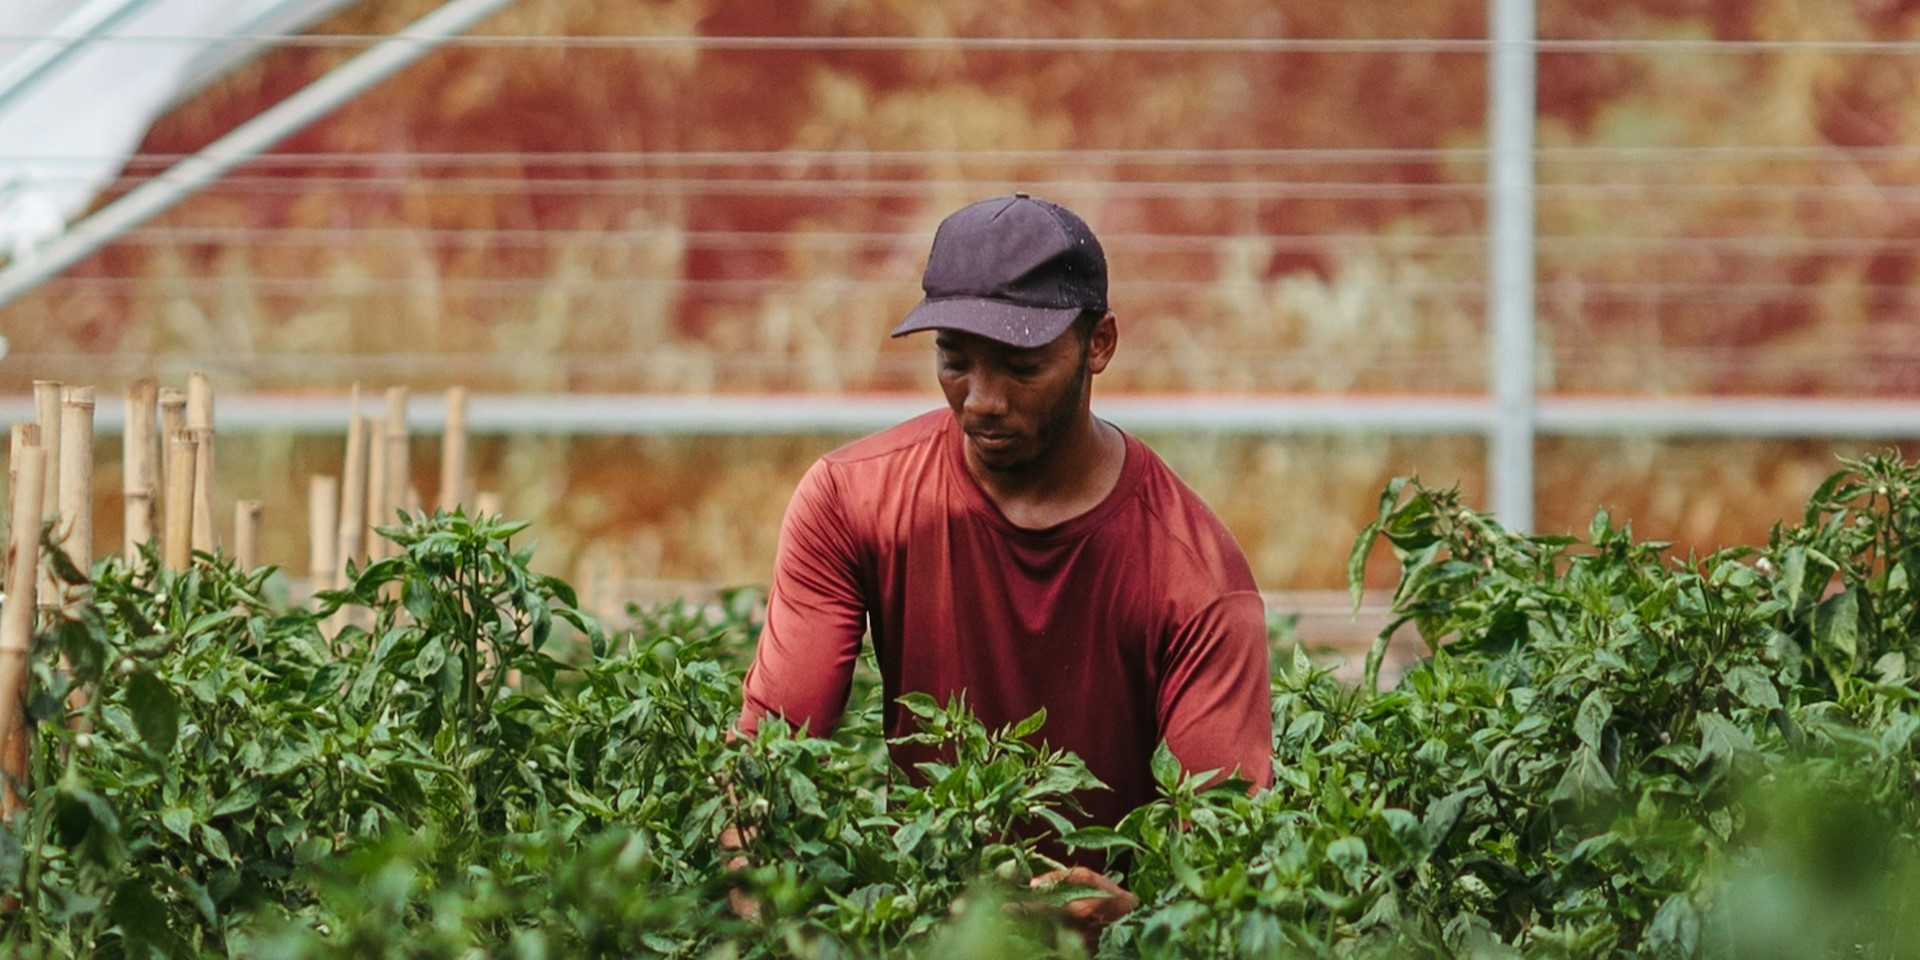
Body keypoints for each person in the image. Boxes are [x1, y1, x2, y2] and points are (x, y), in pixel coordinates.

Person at [731, 193, 1274, 937]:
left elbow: (1224, 876)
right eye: (954, 361)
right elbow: (771, 759)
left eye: (1021, 367)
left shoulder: (1193, 576)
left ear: (1100, 344)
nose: (980, 401)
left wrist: (1136, 922)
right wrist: (771, 925)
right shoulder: (851, 500)